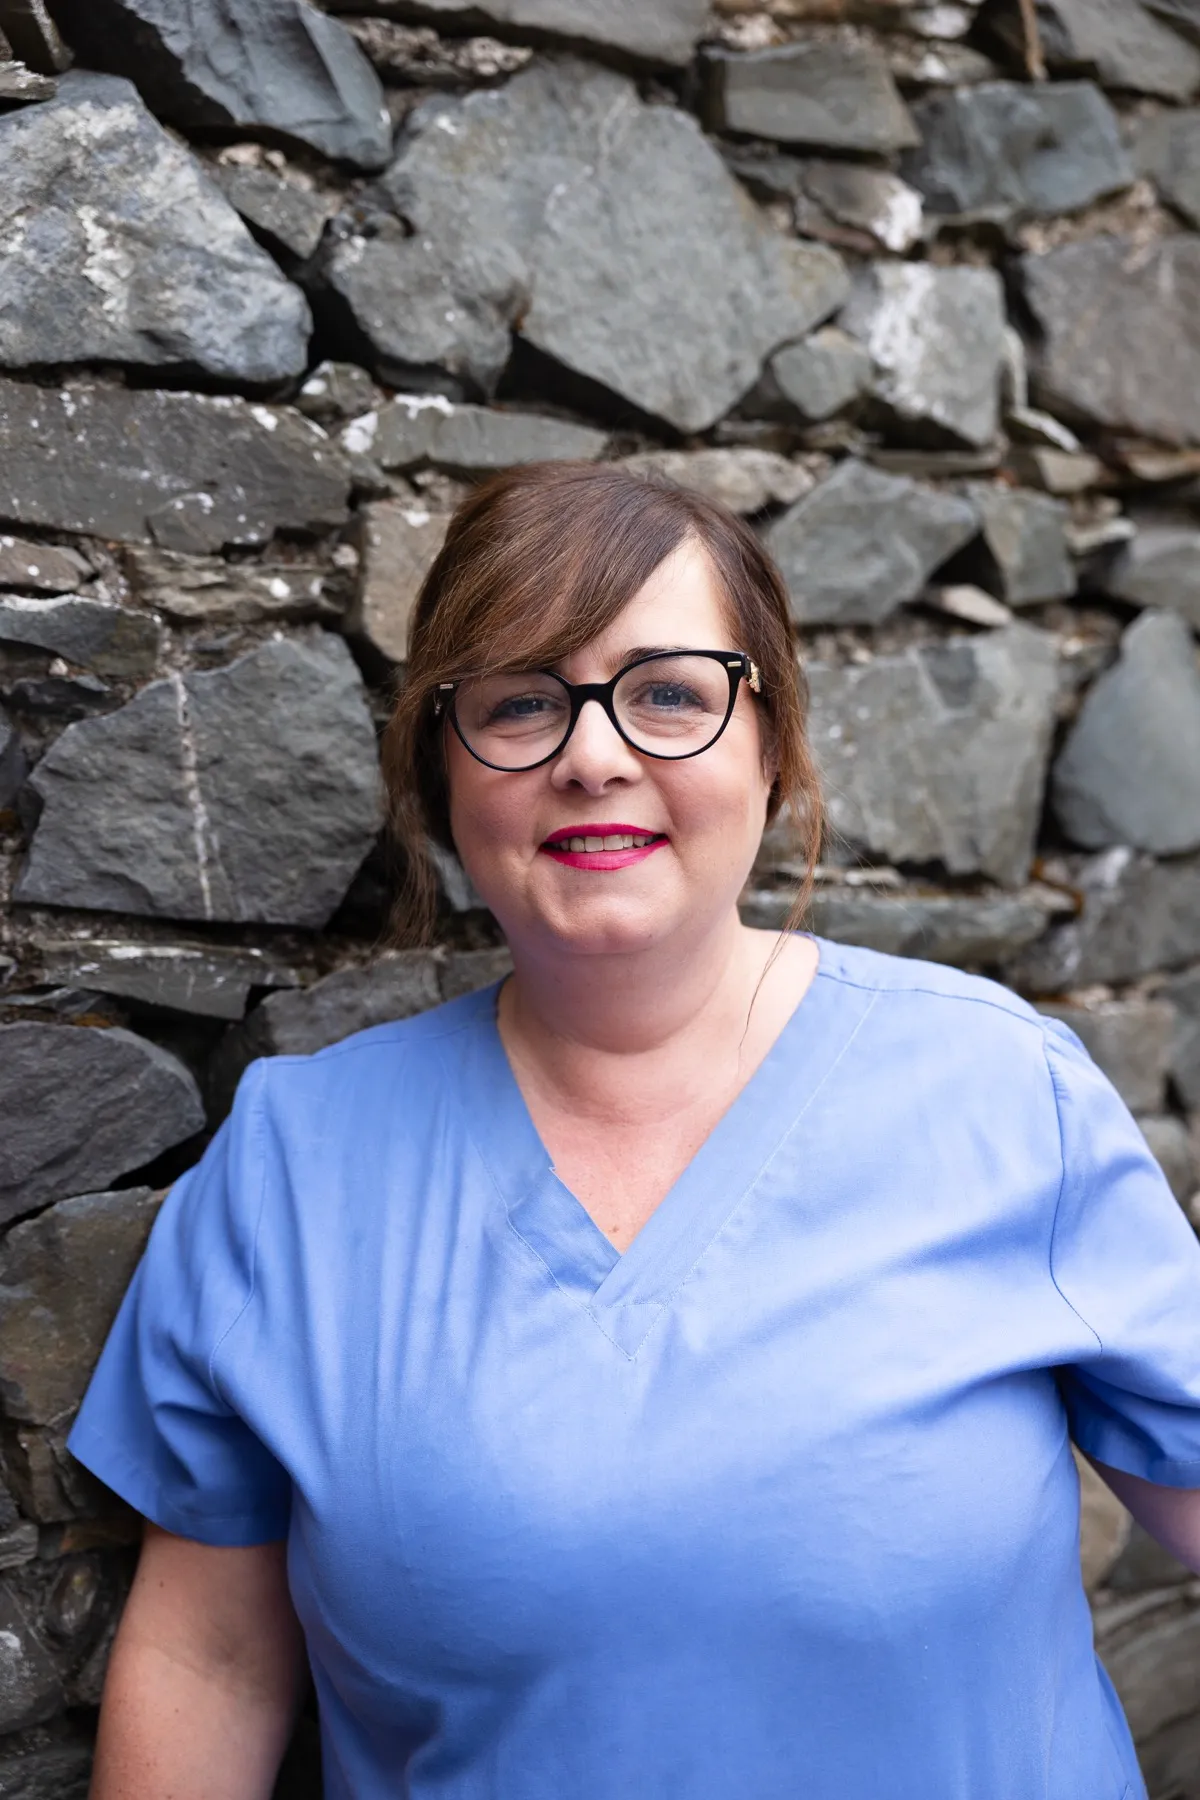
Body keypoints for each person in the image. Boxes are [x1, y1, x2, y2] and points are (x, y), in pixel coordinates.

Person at [71, 462, 1200, 1800]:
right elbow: (210, 1665)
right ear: (444, 775)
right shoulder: (294, 1171)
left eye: (669, 692)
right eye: (521, 703)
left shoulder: (1003, 1096)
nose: (593, 753)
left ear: (769, 744)